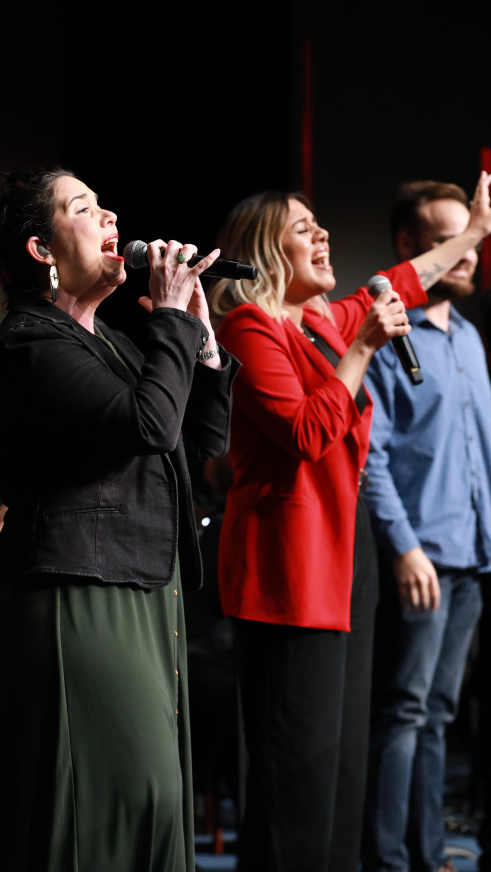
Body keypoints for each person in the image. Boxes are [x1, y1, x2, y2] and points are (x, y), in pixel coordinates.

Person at [208, 173, 491, 872]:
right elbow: (305, 433)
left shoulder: (318, 322)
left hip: (344, 561)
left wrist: (473, 233)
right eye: (303, 229)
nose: (323, 234)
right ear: (265, 251)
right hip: (288, 567)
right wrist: (362, 349)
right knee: (296, 774)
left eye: (319, 224)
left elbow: (406, 279)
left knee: (339, 769)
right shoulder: (250, 327)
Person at [0, 166, 239, 872]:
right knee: (114, 799)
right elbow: (149, 424)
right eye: (84, 208)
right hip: (73, 592)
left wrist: (201, 336)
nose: (110, 216)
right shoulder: (31, 342)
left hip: (140, 588)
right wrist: (171, 319)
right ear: (42, 250)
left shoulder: (113, 343)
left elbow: (198, 444)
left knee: (154, 801)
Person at [361, 179, 491, 872]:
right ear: (409, 246)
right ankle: (387, 860)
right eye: (449, 241)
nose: (467, 255)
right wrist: (404, 547)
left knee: (439, 713)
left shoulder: (468, 338)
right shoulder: (387, 335)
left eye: (473, 241)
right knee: (404, 712)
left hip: (471, 555)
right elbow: (371, 456)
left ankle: (427, 852)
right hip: (420, 555)